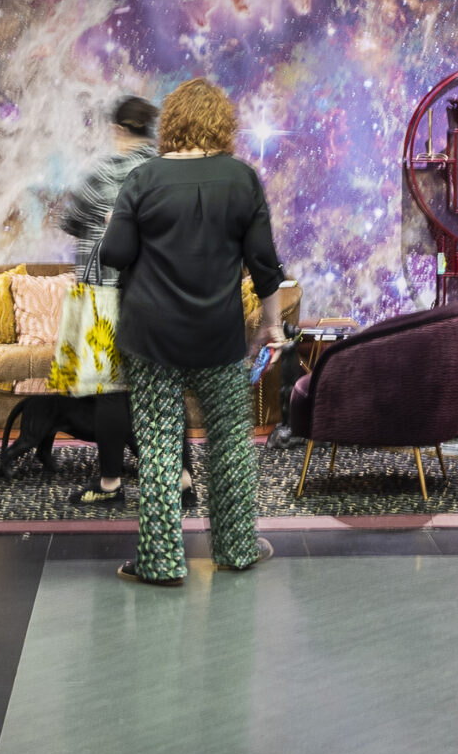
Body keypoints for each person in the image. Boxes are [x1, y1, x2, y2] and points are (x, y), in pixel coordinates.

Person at [97, 77, 285, 585]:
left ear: (173, 123)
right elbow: (266, 266)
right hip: (218, 339)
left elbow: (113, 253)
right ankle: (236, 549)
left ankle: (160, 564)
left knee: (158, 448)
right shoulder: (242, 180)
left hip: (150, 337)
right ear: (222, 125)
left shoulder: (143, 179)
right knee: (228, 442)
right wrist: (271, 326)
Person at [54, 95, 158, 506]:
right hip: (152, 294)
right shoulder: (159, 172)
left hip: (103, 294)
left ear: (118, 129)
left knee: (112, 391)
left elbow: (70, 220)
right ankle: (182, 479)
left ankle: (111, 483)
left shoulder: (103, 171)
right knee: (159, 388)